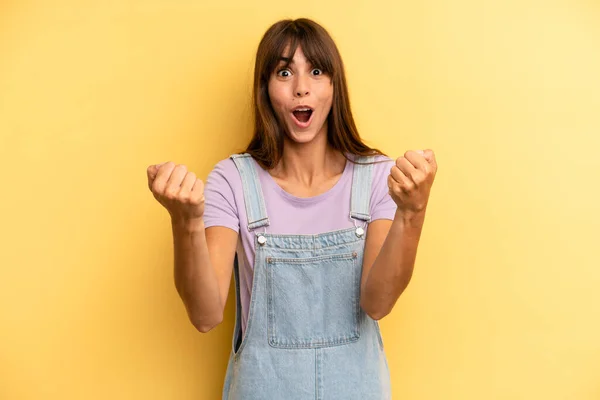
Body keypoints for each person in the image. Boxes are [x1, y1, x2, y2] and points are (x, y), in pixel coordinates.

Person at [146, 18, 437, 400]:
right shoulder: (233, 180)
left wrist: (411, 214)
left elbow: (377, 303)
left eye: (316, 71)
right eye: (284, 72)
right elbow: (205, 315)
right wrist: (185, 223)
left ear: (335, 87)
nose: (301, 87)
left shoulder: (378, 178)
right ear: (265, 89)